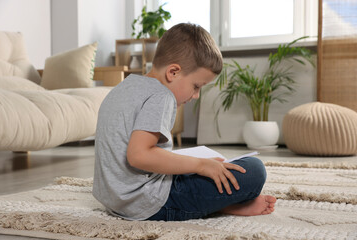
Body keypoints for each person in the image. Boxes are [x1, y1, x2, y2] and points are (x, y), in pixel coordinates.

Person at [92, 23, 276, 221]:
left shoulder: (125, 87)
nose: (196, 96)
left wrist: (196, 164)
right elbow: (138, 155)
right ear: (173, 72)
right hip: (148, 202)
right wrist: (200, 165)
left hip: (115, 200)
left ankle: (218, 201)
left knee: (209, 167)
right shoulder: (161, 96)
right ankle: (227, 205)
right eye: (196, 86)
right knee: (254, 170)